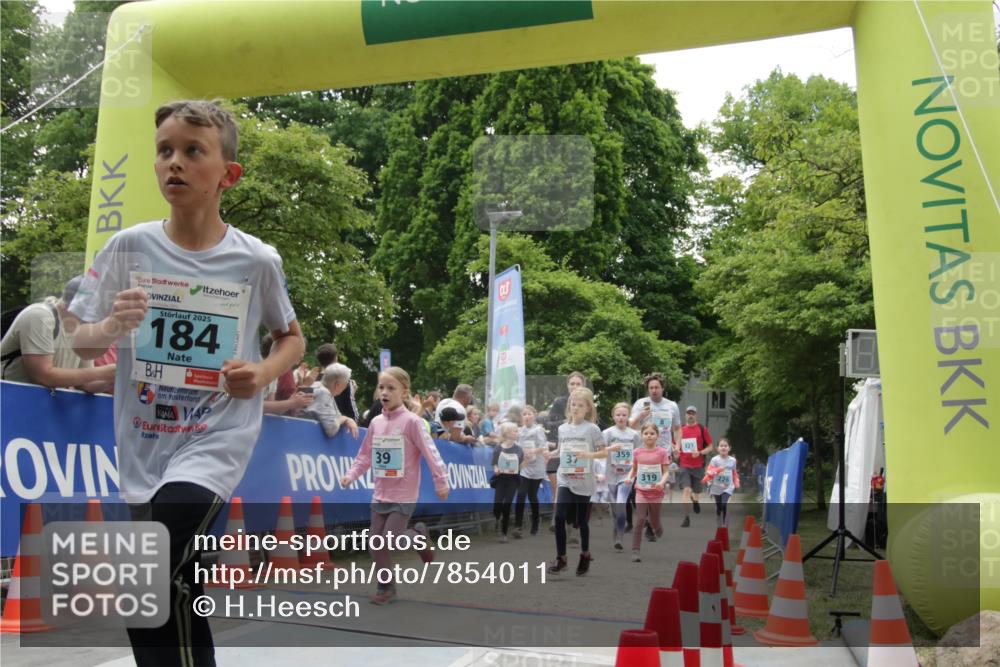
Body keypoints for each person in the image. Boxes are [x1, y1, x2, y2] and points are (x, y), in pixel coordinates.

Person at [69, 100, 305, 667]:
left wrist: (262, 374)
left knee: (150, 562)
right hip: (144, 442)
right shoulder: (129, 246)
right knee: (163, 592)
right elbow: (78, 340)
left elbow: (290, 338)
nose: (174, 163)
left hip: (214, 440)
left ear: (228, 174)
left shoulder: (256, 260)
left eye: (192, 151)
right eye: (164, 151)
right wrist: (112, 325)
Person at [339, 366, 449, 604]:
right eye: (381, 387)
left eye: (391, 388)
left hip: (404, 492)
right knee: (375, 543)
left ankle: (418, 536)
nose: (385, 392)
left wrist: (441, 480)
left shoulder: (412, 422)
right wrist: (351, 475)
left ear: (404, 391)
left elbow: (431, 453)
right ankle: (386, 587)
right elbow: (365, 455)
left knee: (390, 539)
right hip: (380, 492)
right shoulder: (376, 423)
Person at [1, 275, 116, 392]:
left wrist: (115, 378)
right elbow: (42, 376)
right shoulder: (39, 316)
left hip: (37, 404)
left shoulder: (83, 330)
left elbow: (85, 384)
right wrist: (104, 372)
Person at [546, 387, 606, 576]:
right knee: (559, 516)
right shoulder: (563, 428)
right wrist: (549, 454)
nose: (576, 408)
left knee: (581, 521)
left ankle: (585, 554)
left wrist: (588, 454)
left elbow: (603, 452)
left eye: (580, 405)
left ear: (588, 408)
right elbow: (561, 450)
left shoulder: (592, 429)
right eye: (573, 404)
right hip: (565, 477)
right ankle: (561, 558)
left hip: (584, 480)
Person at [629, 373, 681, 539]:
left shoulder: (672, 406)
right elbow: (630, 425)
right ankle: (644, 517)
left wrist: (677, 446)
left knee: (655, 488)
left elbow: (677, 428)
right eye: (651, 388)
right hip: (643, 452)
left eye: (657, 387)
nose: (654, 390)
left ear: (662, 388)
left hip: (663, 452)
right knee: (639, 488)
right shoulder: (640, 404)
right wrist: (641, 416)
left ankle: (651, 525)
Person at [543, 371, 588, 530]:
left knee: (576, 489)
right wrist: (565, 421)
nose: (575, 387)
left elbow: (596, 426)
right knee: (558, 487)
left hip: (579, 451)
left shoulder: (588, 404)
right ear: (567, 385)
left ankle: (574, 525)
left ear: (583, 386)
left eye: (578, 384)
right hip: (559, 448)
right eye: (572, 384)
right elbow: (549, 423)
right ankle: (557, 519)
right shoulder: (560, 402)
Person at [625, 423, 671, 562]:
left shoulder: (662, 452)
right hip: (641, 491)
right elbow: (634, 469)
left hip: (656, 492)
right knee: (640, 519)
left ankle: (657, 527)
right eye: (646, 433)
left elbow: (666, 472)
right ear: (642, 435)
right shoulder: (637, 452)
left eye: (652, 433)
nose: (649, 436)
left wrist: (661, 483)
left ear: (657, 436)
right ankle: (635, 550)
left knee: (654, 520)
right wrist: (629, 478)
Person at [602, 402, 641, 552]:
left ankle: (619, 536)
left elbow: (638, 453)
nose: (621, 417)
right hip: (611, 474)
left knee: (621, 504)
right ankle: (617, 528)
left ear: (628, 417)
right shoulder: (607, 433)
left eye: (624, 415)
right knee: (615, 509)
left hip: (627, 474)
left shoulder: (634, 435)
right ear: (613, 416)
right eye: (618, 415)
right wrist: (611, 448)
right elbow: (599, 451)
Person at [674, 405, 713, 527]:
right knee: (686, 490)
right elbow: (674, 446)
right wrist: (675, 451)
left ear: (696, 415)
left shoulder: (702, 429)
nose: (690, 415)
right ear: (685, 415)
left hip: (698, 465)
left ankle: (695, 501)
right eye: (688, 413)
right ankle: (686, 517)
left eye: (693, 413)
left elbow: (710, 447)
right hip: (684, 465)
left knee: (696, 491)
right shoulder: (680, 430)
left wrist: (700, 452)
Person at [513, 405, 547, 537]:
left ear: (534, 415)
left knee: (532, 495)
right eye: (524, 414)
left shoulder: (538, 430)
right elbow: (516, 446)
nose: (526, 417)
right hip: (525, 466)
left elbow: (543, 446)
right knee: (521, 494)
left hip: (537, 466)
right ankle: (518, 526)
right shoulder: (520, 431)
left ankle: (535, 521)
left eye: (529, 414)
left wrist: (533, 451)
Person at [302, 363, 360, 438]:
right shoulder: (323, 393)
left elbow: (337, 416)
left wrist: (345, 419)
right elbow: (332, 428)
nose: (346, 387)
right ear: (337, 384)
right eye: (346, 384)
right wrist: (345, 419)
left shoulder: (319, 387)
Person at [261, 333, 312, 416]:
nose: (301, 355)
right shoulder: (257, 369)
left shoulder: (274, 373)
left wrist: (293, 400)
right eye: (296, 351)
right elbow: (255, 406)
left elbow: (270, 409)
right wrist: (290, 403)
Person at [491, 422, 524, 543]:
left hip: (513, 480)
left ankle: (503, 533)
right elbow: (494, 462)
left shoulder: (518, 449)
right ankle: (497, 519)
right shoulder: (498, 447)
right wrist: (496, 469)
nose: (517, 433)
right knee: (497, 504)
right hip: (500, 479)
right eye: (515, 431)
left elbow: (519, 463)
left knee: (507, 504)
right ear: (507, 433)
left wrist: (522, 464)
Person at [315, 342, 359, 422]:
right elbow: (353, 417)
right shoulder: (344, 382)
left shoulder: (312, 380)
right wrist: (352, 394)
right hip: (336, 428)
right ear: (336, 358)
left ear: (319, 361)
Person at [706, 438, 740, 527]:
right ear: (718, 448)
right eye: (721, 446)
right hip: (716, 487)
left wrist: (736, 482)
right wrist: (709, 486)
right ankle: (719, 517)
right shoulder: (714, 460)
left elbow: (734, 472)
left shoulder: (733, 460)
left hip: (728, 487)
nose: (723, 448)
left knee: (724, 504)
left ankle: (724, 524)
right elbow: (709, 473)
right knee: (719, 506)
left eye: (725, 446)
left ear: (729, 448)